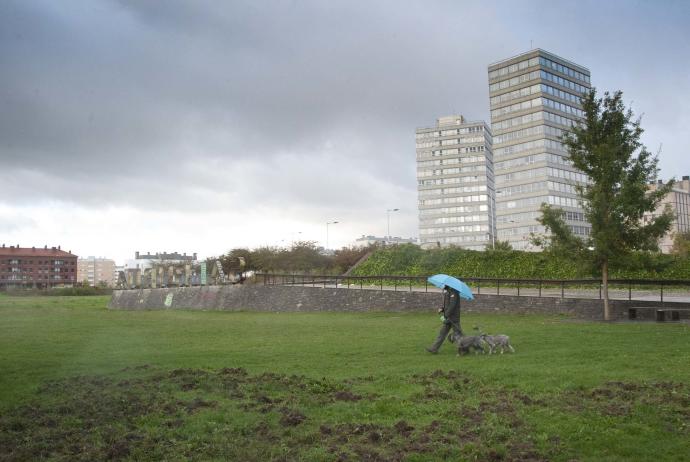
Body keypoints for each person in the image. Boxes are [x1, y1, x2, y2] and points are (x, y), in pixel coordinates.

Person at [426, 286, 463, 353]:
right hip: (448, 318)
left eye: (444, 285)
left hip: (454, 318)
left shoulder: (454, 293)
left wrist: (446, 314)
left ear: (448, 285)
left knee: (458, 335)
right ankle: (434, 349)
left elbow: (452, 305)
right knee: (442, 334)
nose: (443, 286)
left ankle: (464, 349)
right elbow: (447, 305)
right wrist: (442, 309)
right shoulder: (448, 293)